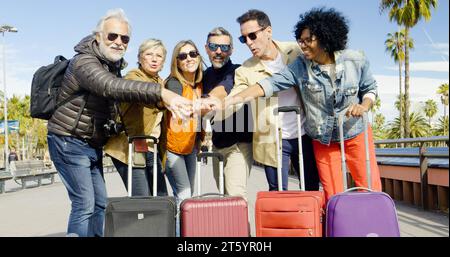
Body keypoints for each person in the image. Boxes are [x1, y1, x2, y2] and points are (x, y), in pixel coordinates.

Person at [46, 9, 192, 237]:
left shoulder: (111, 65)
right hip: (68, 139)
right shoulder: (84, 61)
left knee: (100, 204)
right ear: (98, 37)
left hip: (90, 143)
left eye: (124, 38)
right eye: (112, 36)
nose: (118, 42)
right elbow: (111, 87)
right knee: (84, 204)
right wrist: (163, 94)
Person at [224, 7, 382, 201]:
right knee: (333, 196)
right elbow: (269, 84)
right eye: (301, 41)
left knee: (369, 189)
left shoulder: (355, 60)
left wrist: (364, 105)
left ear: (325, 37)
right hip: (322, 138)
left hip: (354, 133)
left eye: (309, 40)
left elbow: (370, 87)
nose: (303, 45)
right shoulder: (300, 65)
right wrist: (230, 100)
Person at [214, 10, 320, 192]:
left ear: (268, 31)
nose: (248, 42)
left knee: (311, 189)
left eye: (252, 36)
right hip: (271, 140)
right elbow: (238, 94)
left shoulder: (296, 51)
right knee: (277, 193)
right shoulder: (245, 69)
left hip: (306, 134)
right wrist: (218, 106)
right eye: (243, 38)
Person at [104, 39, 168, 197]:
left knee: (162, 198)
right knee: (142, 200)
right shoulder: (133, 77)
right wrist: (165, 99)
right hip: (129, 147)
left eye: (159, 56)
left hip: (151, 148)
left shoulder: (161, 82)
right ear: (139, 58)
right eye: (149, 54)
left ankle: (159, 223)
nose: (154, 59)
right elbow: (143, 91)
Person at [202, 27, 253, 199]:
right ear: (206, 48)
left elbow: (223, 90)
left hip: (239, 145)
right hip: (218, 145)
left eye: (224, 47)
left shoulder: (238, 71)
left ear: (231, 49)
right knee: (224, 198)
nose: (218, 51)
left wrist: (201, 102)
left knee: (235, 196)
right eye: (214, 46)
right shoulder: (203, 76)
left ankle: (240, 227)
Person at [164, 40, 204, 236]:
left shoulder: (198, 85)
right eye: (182, 56)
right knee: (184, 196)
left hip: (190, 147)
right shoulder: (174, 83)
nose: (188, 58)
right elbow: (176, 106)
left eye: (192, 53)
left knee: (189, 197)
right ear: (177, 62)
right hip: (173, 149)